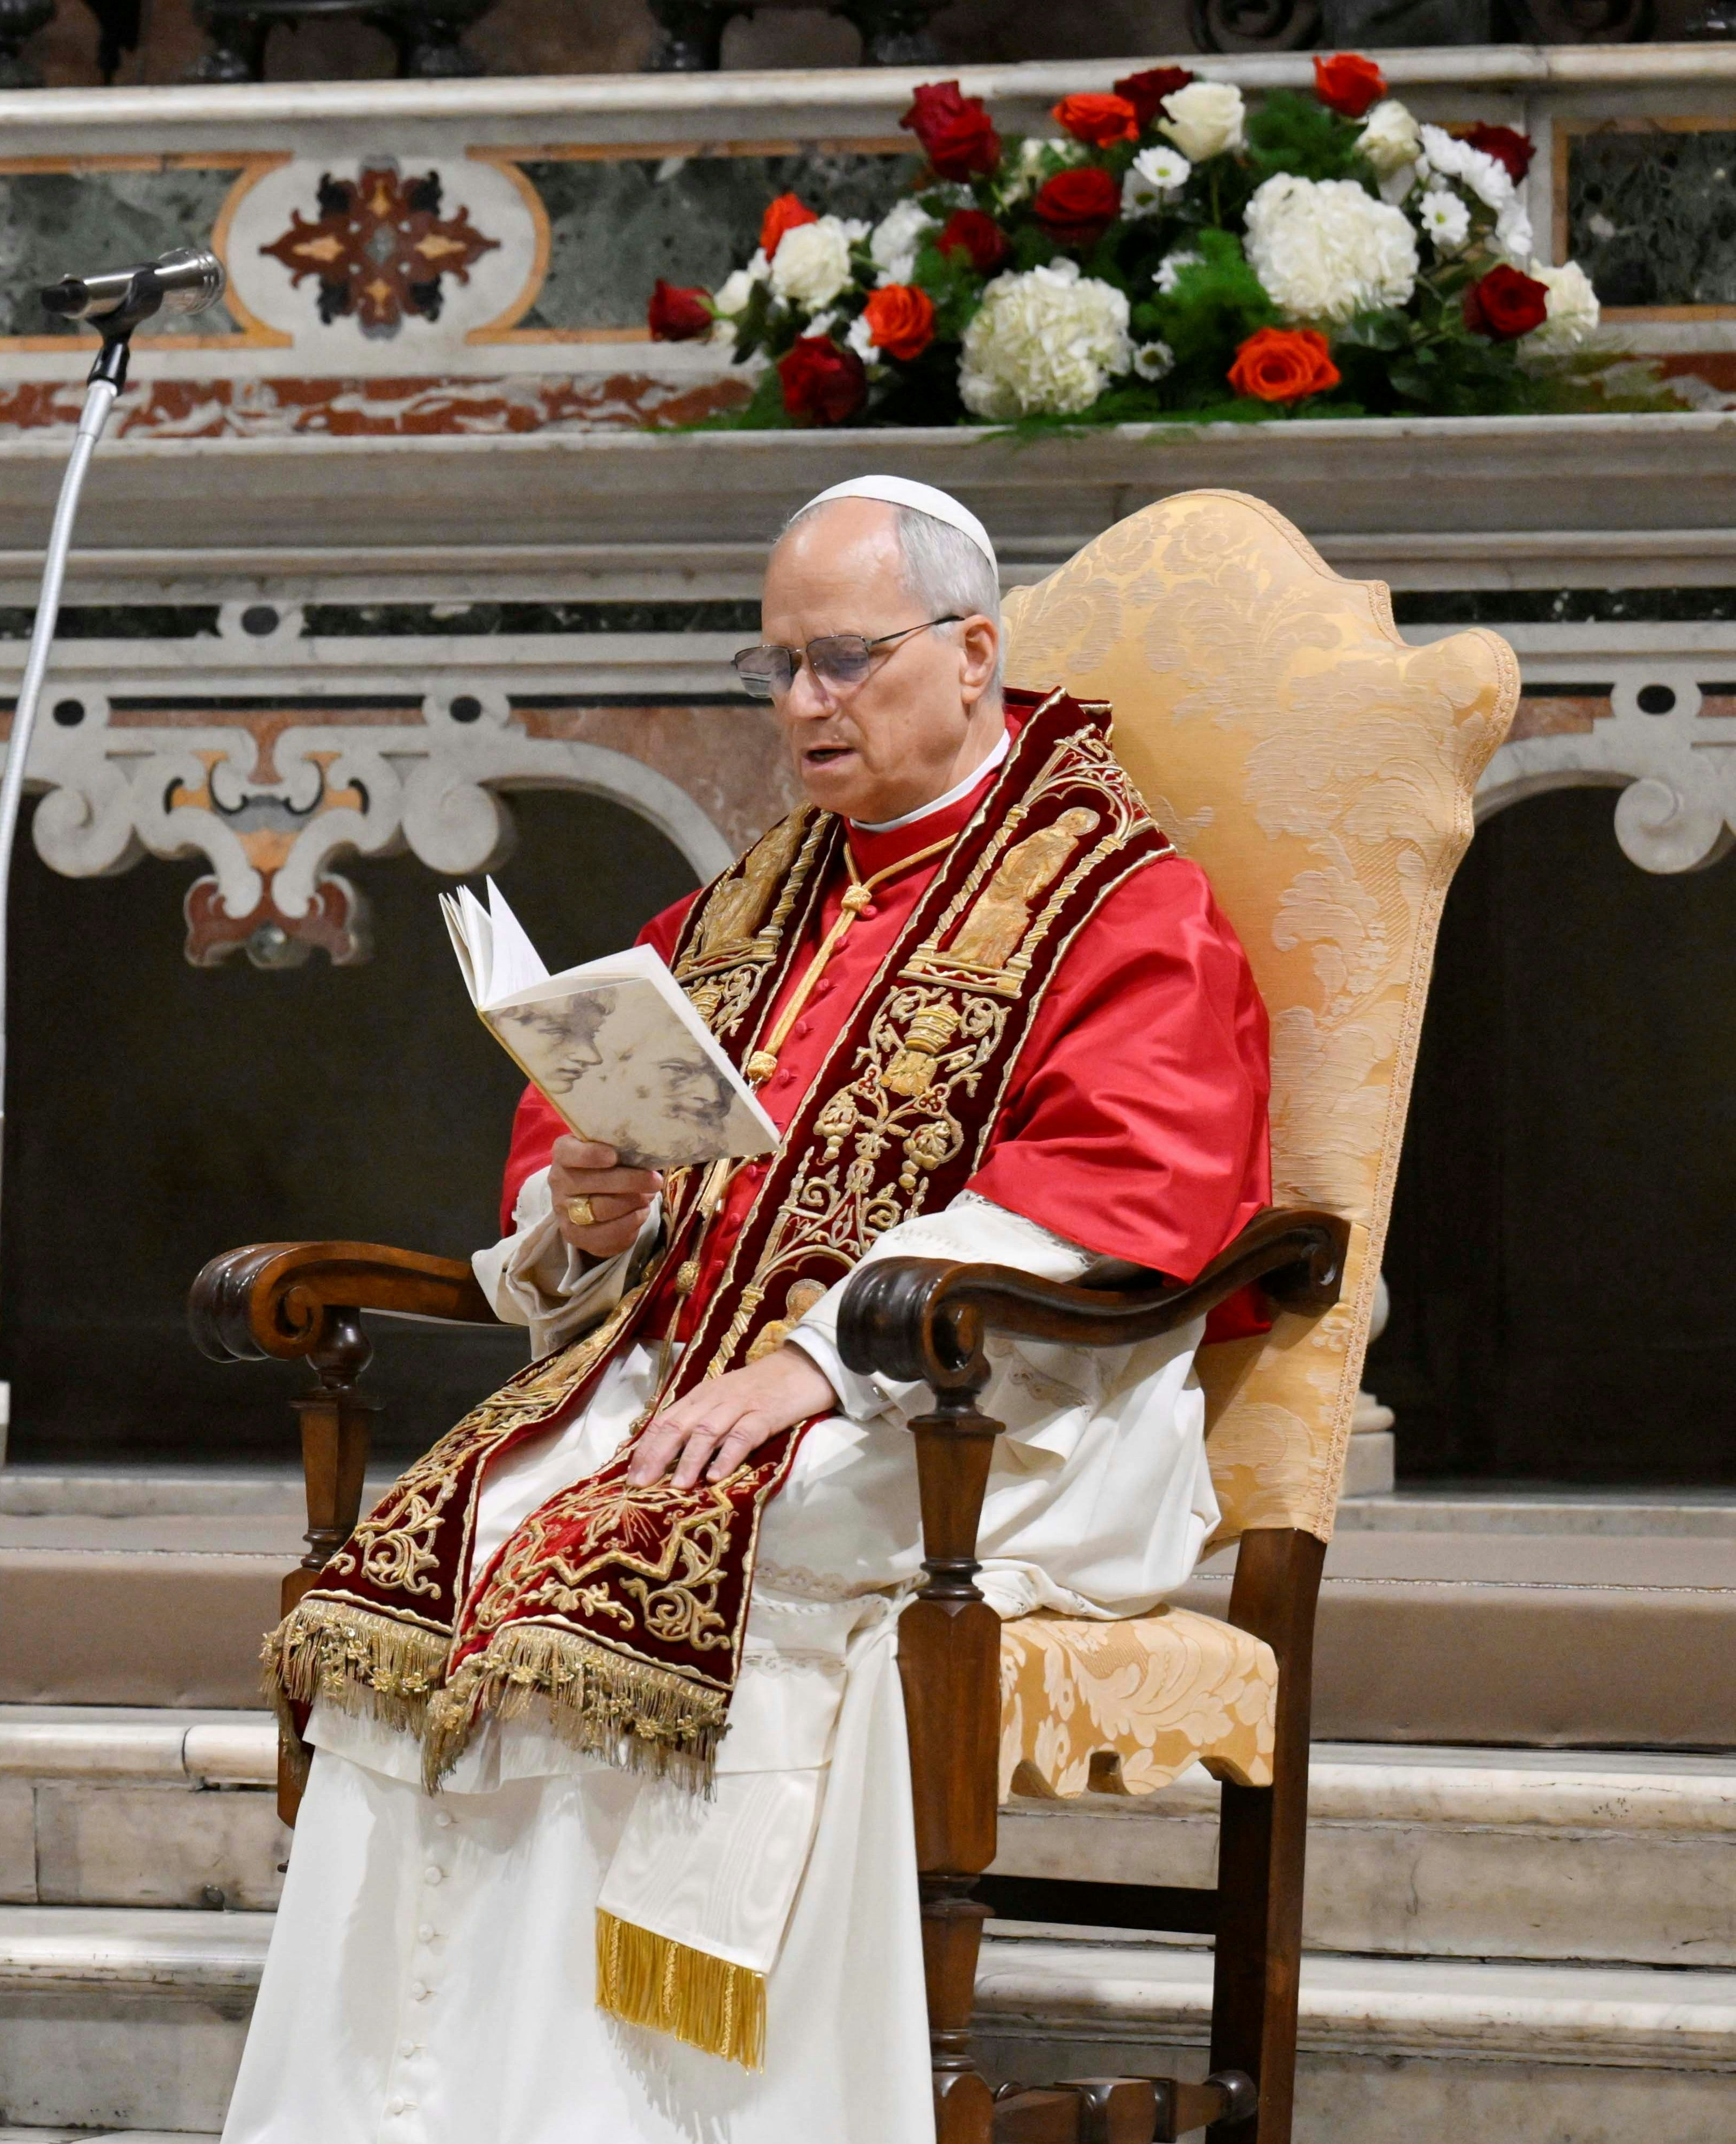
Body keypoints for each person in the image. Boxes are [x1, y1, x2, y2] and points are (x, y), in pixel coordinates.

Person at [223, 475, 1273, 2143]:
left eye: (843, 659)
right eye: (776, 664)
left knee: (657, 1546)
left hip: (976, 1414)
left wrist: (813, 1358)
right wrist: (584, 1211)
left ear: (974, 653)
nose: (803, 704)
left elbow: (1130, 1190)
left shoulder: (1118, 901)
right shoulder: (748, 907)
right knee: (464, 1526)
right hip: (704, 1389)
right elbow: (600, 1139)